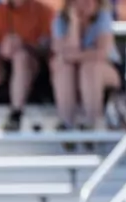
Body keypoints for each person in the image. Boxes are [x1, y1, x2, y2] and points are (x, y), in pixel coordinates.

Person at [0, 0, 54, 131]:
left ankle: (16, 114)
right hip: (3, 73)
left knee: (21, 57)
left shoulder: (43, 12)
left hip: (34, 73)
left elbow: (48, 47)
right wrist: (4, 49)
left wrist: (24, 45)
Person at [51, 0, 121, 131]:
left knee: (89, 68)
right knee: (63, 68)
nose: (85, 4)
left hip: (106, 71)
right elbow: (60, 52)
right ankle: (67, 122)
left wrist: (74, 56)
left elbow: (102, 53)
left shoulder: (103, 17)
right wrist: (74, 24)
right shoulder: (60, 20)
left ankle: (93, 122)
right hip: (73, 73)